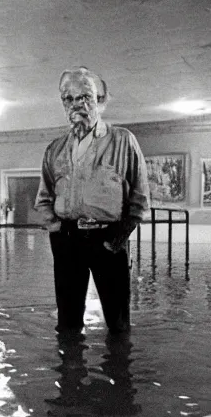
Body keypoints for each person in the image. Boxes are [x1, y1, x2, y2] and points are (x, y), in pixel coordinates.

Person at [35, 67, 150, 334]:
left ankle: (119, 371)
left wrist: (118, 238)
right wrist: (58, 232)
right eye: (69, 98)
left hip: (109, 240)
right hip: (66, 240)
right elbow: (44, 199)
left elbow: (140, 199)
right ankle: (69, 372)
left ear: (101, 100)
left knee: (118, 323)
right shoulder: (54, 149)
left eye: (85, 96)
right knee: (67, 323)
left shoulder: (123, 140)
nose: (76, 104)